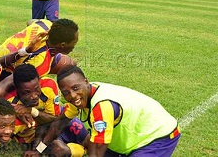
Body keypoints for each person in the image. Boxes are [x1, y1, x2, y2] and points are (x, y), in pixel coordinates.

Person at [40, 66, 181, 157]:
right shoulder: (80, 99)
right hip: (131, 137)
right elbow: (58, 125)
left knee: (94, 146)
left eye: (76, 88)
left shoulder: (102, 106)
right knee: (91, 142)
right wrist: (38, 150)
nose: (72, 96)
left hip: (158, 137)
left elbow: (97, 151)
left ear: (86, 82)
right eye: (66, 93)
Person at [0, 19, 78, 78]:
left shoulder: (45, 24)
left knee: (69, 63)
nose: (74, 46)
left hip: (0, 53)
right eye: (74, 43)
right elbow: (8, 84)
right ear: (63, 45)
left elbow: (30, 21)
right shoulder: (40, 63)